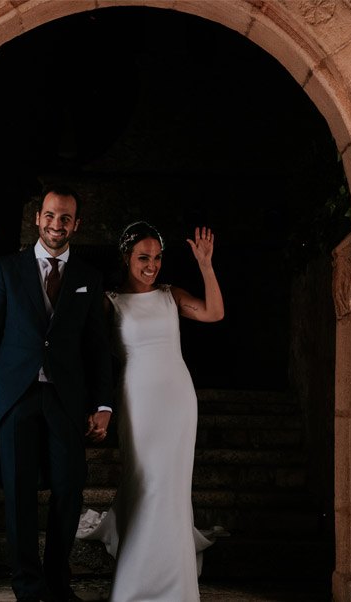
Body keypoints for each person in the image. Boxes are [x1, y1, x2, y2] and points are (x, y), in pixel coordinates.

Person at [0, 185, 113, 602]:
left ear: (76, 224)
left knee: (69, 489)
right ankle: (29, 588)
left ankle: (57, 582)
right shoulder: (6, 269)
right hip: (16, 397)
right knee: (19, 494)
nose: (57, 224)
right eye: (50, 215)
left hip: (66, 399)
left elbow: (97, 346)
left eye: (65, 217)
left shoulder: (88, 277)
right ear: (38, 218)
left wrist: (103, 404)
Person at [77, 221, 225, 602]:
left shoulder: (169, 294)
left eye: (157, 258)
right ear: (127, 257)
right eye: (144, 257)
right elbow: (91, 354)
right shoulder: (109, 300)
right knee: (146, 484)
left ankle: (175, 586)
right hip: (137, 400)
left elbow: (213, 314)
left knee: (173, 490)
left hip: (178, 399)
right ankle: (134, 585)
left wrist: (205, 266)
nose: (152, 265)